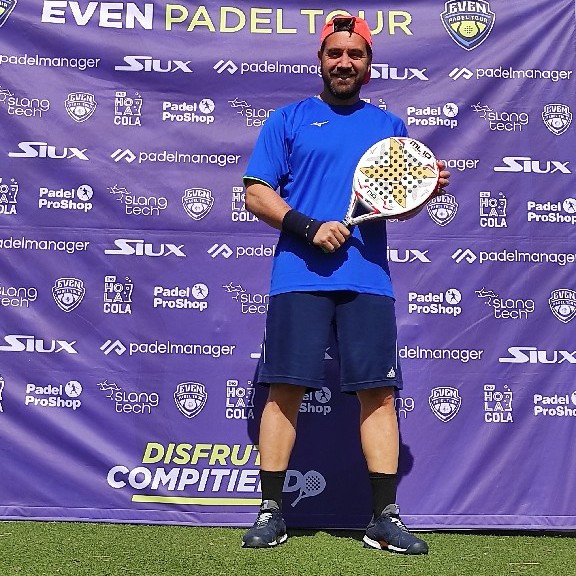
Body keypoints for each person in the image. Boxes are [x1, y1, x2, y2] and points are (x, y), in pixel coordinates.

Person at [241, 15, 450, 554]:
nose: (344, 63)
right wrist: (308, 226)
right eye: (335, 53)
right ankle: (271, 512)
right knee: (285, 389)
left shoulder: (388, 125)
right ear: (321, 59)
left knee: (377, 394)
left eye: (355, 54)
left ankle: (383, 519)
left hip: (367, 280)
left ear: (368, 64)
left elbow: (395, 201)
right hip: (299, 276)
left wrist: (423, 191)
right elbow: (257, 194)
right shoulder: (287, 120)